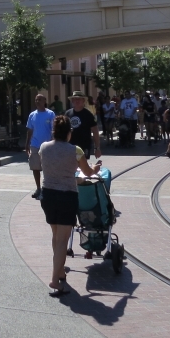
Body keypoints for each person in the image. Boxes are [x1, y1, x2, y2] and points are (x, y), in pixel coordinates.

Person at [39, 116, 101, 296]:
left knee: (55, 235)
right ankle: (54, 279)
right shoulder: (76, 150)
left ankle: (59, 271)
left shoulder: (44, 147)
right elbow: (88, 172)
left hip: (48, 194)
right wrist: (95, 169)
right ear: (68, 133)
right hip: (67, 195)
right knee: (63, 240)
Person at [25, 94, 56, 200]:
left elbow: (53, 130)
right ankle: (38, 188)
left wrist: (53, 142)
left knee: (47, 168)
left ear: (44, 101)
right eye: (36, 100)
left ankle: (47, 188)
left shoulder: (50, 114)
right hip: (35, 145)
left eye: (39, 100)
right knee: (35, 167)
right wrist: (27, 144)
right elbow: (30, 130)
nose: (37, 101)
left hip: (47, 146)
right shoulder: (32, 115)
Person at [64, 92, 101, 161]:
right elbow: (63, 131)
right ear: (72, 101)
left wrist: (97, 148)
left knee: (82, 169)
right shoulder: (67, 113)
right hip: (70, 146)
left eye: (79, 99)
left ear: (83, 101)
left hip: (84, 146)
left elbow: (95, 131)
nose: (77, 101)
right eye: (75, 99)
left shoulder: (88, 114)